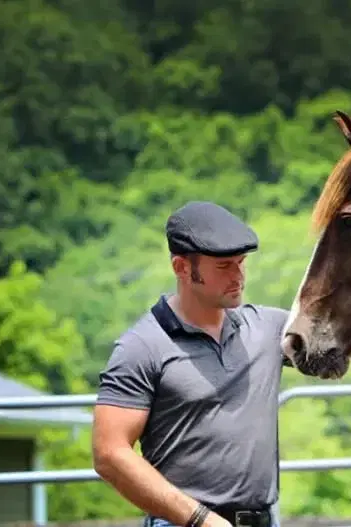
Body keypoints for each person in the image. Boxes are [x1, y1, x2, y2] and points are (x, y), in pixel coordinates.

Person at [91, 201, 292, 527]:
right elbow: (109, 454)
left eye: (241, 263)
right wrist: (201, 519)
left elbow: (350, 337)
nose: (238, 276)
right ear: (182, 267)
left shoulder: (268, 328)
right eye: (224, 266)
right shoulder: (141, 347)